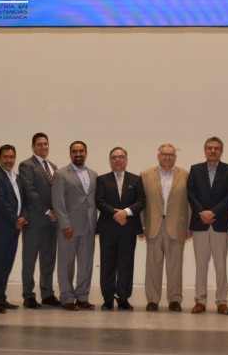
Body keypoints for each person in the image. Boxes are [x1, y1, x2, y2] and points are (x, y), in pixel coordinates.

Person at [187, 136, 228, 314]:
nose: (213, 151)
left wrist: (213, 213)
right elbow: (191, 194)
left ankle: (222, 301)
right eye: (209, 148)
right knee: (201, 264)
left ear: (221, 151)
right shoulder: (195, 169)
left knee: (220, 264)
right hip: (200, 224)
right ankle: (200, 300)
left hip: (220, 223)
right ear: (205, 150)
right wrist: (203, 213)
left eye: (216, 148)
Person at [138, 144, 190, 312]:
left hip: (176, 226)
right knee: (153, 265)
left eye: (171, 155)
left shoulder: (186, 175)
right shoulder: (145, 175)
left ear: (175, 157)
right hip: (153, 226)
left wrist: (189, 225)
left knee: (175, 266)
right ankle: (152, 299)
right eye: (164, 154)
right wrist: (142, 225)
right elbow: (141, 202)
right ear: (158, 156)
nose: (167, 157)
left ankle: (175, 299)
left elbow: (190, 203)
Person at [94, 147, 144, 311]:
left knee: (126, 264)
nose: (118, 160)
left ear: (126, 159)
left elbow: (141, 201)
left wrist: (126, 213)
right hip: (108, 227)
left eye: (121, 157)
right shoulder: (102, 180)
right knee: (107, 264)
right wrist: (116, 215)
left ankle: (123, 299)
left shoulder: (136, 180)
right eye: (114, 157)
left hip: (128, 228)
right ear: (110, 160)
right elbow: (99, 201)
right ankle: (108, 298)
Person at [53, 140, 98, 310]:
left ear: (86, 153)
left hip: (89, 226)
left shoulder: (93, 174)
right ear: (70, 154)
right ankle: (67, 298)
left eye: (81, 151)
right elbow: (58, 201)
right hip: (69, 227)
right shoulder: (61, 174)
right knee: (66, 264)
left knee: (86, 263)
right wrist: (65, 224)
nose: (78, 154)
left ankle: (82, 297)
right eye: (74, 151)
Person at [18, 133, 60, 309]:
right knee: (29, 260)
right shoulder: (26, 165)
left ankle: (47, 293)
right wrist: (47, 211)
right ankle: (28, 295)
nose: (43, 147)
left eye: (46, 144)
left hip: (52, 222)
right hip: (35, 221)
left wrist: (56, 213)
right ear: (33, 147)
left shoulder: (53, 167)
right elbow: (30, 191)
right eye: (40, 144)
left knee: (48, 259)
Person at [0, 144, 27, 313]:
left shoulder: (17, 178)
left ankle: (1, 297)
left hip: (14, 228)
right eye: (5, 157)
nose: (8, 160)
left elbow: (24, 201)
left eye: (11, 157)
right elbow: (0, 201)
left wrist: (24, 217)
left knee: (7, 264)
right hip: (1, 228)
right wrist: (15, 219)